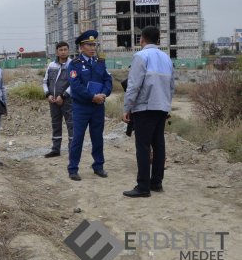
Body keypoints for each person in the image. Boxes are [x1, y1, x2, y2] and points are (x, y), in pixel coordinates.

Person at [122, 26, 175, 198]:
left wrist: (127, 108)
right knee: (159, 145)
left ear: (141, 40)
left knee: (143, 147)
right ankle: (156, 183)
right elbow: (172, 86)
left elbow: (134, 85)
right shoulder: (166, 58)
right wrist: (167, 105)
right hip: (162, 107)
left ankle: (143, 186)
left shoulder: (140, 56)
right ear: (158, 40)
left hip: (145, 108)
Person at [67, 30, 112, 181]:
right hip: (82, 108)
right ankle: (73, 168)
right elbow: (76, 86)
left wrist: (104, 94)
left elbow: (108, 81)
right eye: (89, 45)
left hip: (98, 107)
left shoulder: (100, 62)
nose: (93, 48)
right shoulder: (75, 65)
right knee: (78, 138)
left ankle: (98, 166)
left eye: (94, 45)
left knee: (97, 138)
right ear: (81, 47)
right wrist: (92, 97)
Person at [42, 41, 73, 158]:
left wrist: (63, 96)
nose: (63, 52)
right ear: (57, 52)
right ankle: (55, 149)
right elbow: (45, 82)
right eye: (61, 50)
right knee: (55, 124)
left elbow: (74, 84)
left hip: (68, 101)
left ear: (68, 51)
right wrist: (48, 95)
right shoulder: (51, 66)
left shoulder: (72, 65)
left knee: (71, 124)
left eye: (65, 49)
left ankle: (72, 149)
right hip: (53, 101)